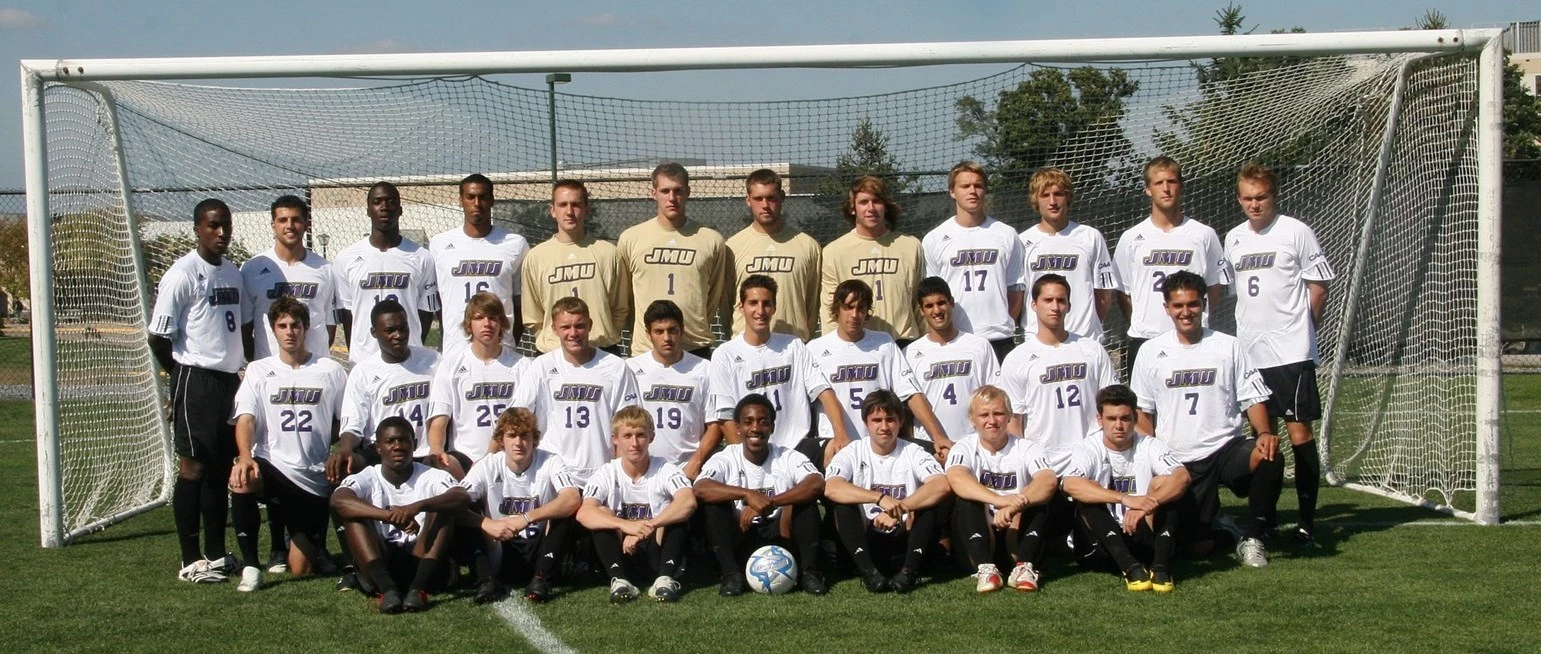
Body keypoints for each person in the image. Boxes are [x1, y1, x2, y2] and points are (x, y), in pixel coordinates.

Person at [1130, 271, 1281, 568]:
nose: (1186, 312)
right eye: (1178, 305)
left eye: (1193, 304)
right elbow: (1143, 413)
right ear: (1166, 308)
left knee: (1269, 454)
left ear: (1203, 305)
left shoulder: (1228, 345)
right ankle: (1223, 527)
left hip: (1224, 448)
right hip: (1178, 458)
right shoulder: (1150, 351)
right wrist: (1154, 458)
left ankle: (1254, 537)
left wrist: (1264, 433)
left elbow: (1252, 397)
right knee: (1196, 548)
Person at [1225, 162, 1336, 543]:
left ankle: (1306, 522)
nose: (1254, 205)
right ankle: (1266, 518)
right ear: (1239, 199)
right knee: (1263, 436)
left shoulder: (1295, 231)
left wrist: (1305, 331)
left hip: (1290, 353)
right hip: (1251, 354)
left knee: (1299, 433)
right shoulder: (1234, 239)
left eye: (1261, 197)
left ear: (1274, 196)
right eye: (1247, 199)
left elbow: (1318, 286)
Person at [148, 198, 247, 584]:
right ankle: (190, 560)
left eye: (226, 225)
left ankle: (217, 555)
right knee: (193, 467)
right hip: (195, 378)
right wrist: (180, 377)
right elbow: (158, 336)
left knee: (220, 468)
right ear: (197, 229)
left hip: (228, 381)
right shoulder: (182, 274)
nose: (221, 233)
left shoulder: (233, 272)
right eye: (212, 225)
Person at [228, 297, 348, 591]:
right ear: (273, 330)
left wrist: (332, 444)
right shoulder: (258, 370)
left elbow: (345, 421)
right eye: (282, 326)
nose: (289, 331)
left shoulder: (330, 370)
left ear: (306, 328)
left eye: (295, 325)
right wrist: (244, 456)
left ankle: (313, 545)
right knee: (243, 477)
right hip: (272, 465)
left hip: (313, 474)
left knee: (301, 569)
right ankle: (252, 567)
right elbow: (246, 419)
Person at [332, 417, 471, 613]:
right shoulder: (368, 476)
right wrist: (388, 516)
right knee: (353, 515)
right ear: (378, 448)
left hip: (422, 559)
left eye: (404, 440)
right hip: (381, 561)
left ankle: (417, 590)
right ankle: (387, 591)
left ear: (414, 444)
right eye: (390, 441)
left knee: (443, 507)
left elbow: (462, 497)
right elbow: (338, 500)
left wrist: (417, 507)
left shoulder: (430, 475)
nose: (398, 446)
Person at [707, 275, 850, 466]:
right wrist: (746, 459)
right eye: (753, 303)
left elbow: (824, 392)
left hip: (798, 446)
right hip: (754, 449)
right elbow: (725, 417)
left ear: (774, 308)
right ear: (741, 307)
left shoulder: (794, 346)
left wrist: (841, 435)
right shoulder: (724, 354)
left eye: (766, 304)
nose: (760, 311)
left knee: (837, 453)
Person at [694, 394, 827, 596]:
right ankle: (731, 574)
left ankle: (809, 571)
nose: (755, 428)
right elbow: (701, 487)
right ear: (738, 428)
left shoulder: (787, 455)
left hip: (781, 532)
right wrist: (747, 495)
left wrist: (770, 502)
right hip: (742, 531)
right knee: (714, 505)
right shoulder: (725, 457)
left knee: (805, 502)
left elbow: (816, 483)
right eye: (748, 422)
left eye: (763, 422)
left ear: (772, 427)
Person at [1063, 385, 1189, 593]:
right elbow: (1070, 484)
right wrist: (1124, 499)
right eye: (1112, 419)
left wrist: (1146, 506)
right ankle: (1130, 568)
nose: (1119, 425)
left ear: (1135, 419)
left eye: (1125, 418)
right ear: (1100, 420)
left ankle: (1161, 568)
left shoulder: (1149, 445)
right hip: (1102, 546)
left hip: (1142, 535)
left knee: (1165, 484)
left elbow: (1182, 477)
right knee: (1088, 490)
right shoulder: (1088, 447)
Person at [807, 279, 952, 460]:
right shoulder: (815, 349)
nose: (855, 314)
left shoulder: (884, 343)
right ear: (837, 309)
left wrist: (937, 436)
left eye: (861, 308)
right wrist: (840, 435)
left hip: (880, 444)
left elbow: (910, 393)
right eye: (848, 307)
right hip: (838, 444)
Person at [1113, 157, 1231, 377]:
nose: (1166, 189)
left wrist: (1197, 318)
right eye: (1158, 183)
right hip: (1145, 339)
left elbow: (1214, 285)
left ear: (1181, 186)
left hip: (1192, 339)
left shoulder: (1204, 235)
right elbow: (1123, 291)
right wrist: (1141, 321)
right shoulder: (1131, 238)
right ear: (1148, 189)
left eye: (1172, 181)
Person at [825, 390, 951, 594]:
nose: (884, 427)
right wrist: (880, 498)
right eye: (877, 420)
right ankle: (868, 572)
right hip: (866, 538)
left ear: (900, 422)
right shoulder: (852, 451)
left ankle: (909, 572)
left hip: (905, 538)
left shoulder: (913, 451)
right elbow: (832, 487)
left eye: (890, 420)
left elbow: (941, 484)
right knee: (842, 504)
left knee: (928, 506)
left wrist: (900, 508)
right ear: (866, 423)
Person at [456, 407, 581, 604]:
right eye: (511, 435)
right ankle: (486, 580)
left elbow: (572, 498)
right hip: (498, 546)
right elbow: (455, 503)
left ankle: (541, 578)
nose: (518, 443)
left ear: (534, 439)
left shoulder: (550, 460)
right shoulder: (487, 465)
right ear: (501, 440)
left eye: (524, 436)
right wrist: (487, 523)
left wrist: (526, 518)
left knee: (565, 512)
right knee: (465, 509)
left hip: (537, 546)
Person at [577, 406, 697, 603]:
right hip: (620, 551)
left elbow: (688, 501)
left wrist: (647, 526)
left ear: (651, 437)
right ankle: (619, 581)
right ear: (615, 439)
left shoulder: (666, 469)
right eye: (627, 436)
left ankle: (664, 580)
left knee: (677, 513)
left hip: (656, 550)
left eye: (640, 435)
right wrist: (625, 525)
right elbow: (584, 513)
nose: (634, 443)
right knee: (601, 513)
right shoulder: (606, 472)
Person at [944, 386, 1057, 593]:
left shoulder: (1027, 447)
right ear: (972, 419)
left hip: (1016, 532)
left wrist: (1015, 506)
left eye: (998, 413)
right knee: (966, 499)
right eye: (984, 415)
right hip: (979, 535)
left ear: (1009, 416)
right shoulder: (964, 447)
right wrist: (1000, 500)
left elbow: (1048, 481)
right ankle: (985, 569)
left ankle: (1024, 568)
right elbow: (956, 477)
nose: (992, 421)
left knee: (1039, 501)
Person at [518, 296, 641, 486]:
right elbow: (519, 416)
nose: (573, 333)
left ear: (590, 325)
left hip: (601, 471)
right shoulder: (541, 366)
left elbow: (630, 425)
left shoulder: (616, 367)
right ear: (554, 329)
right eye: (565, 327)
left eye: (579, 326)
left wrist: (620, 474)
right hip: (553, 472)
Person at [617, 162, 731, 358]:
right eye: (665, 191)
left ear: (688, 192)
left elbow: (713, 296)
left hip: (695, 346)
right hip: (646, 350)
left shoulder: (711, 240)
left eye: (678, 191)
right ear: (654, 193)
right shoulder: (631, 238)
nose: (672, 198)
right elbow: (625, 297)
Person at [921, 162, 1026, 361]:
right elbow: (933, 294)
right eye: (965, 186)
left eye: (978, 186)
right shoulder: (934, 239)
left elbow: (1015, 288)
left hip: (999, 338)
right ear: (952, 191)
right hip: (956, 338)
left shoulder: (1006, 234)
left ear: (985, 190)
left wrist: (1002, 321)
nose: (972, 191)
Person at [427, 292, 530, 479]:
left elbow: (518, 421)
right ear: (469, 324)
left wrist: (488, 458)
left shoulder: (522, 366)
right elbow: (439, 421)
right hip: (463, 458)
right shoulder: (451, 366)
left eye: (493, 318)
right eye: (479, 318)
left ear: (502, 324)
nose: (487, 324)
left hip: (507, 457)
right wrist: (436, 451)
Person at [334, 182, 440, 364]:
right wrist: (357, 352)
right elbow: (348, 314)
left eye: (391, 201)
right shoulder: (346, 258)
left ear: (400, 210)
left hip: (409, 358)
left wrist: (413, 346)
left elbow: (425, 312)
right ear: (368, 210)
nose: (384, 207)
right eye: (377, 202)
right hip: (364, 359)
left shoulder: (422, 257)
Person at [430, 174, 530, 363]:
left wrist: (507, 339)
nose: (477, 203)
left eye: (483, 197)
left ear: (492, 200)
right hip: (456, 350)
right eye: (470, 197)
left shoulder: (515, 244)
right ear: (461, 200)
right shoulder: (439, 244)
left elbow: (521, 303)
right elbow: (437, 300)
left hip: (501, 350)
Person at [522, 180, 629, 355]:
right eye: (563, 205)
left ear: (586, 209)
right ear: (553, 210)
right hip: (553, 352)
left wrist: (602, 337)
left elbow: (620, 308)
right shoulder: (536, 257)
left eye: (576, 205)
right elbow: (533, 316)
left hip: (601, 350)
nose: (569, 212)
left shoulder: (609, 253)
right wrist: (553, 341)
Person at [336, 299, 440, 473]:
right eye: (390, 330)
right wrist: (345, 449)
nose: (398, 335)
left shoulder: (433, 361)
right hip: (382, 454)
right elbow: (352, 425)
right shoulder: (363, 372)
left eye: (403, 328)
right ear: (374, 332)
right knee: (345, 465)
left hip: (426, 451)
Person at [820, 175, 926, 345]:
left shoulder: (911, 246)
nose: (871, 208)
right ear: (853, 208)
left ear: (885, 207)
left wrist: (925, 344)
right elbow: (829, 309)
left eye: (877, 201)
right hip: (858, 345)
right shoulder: (834, 251)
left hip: (904, 342)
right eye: (863, 202)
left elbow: (920, 302)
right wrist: (834, 347)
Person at [1017, 167, 1118, 341]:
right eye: (1045, 195)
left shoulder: (1090, 237)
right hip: (1038, 339)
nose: (1052, 201)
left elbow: (1103, 294)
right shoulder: (1022, 242)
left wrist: (1087, 327)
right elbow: (1018, 295)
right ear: (1035, 200)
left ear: (1068, 197)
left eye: (1058, 194)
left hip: (1084, 338)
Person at [725, 168, 822, 341]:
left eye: (771, 198)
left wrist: (804, 338)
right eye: (758, 198)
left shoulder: (808, 246)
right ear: (748, 200)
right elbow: (726, 303)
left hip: (792, 344)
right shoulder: (732, 247)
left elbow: (813, 304)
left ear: (782, 197)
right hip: (746, 346)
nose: (765, 205)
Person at [628, 300, 719, 479]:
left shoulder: (704, 368)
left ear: (682, 330)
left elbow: (714, 424)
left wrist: (695, 463)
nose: (667, 338)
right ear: (648, 334)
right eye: (659, 331)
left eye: (672, 330)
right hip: (645, 469)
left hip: (689, 468)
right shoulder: (631, 369)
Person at [904, 277, 998, 447]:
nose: (937, 310)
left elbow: (993, 395)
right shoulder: (909, 353)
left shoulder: (979, 346)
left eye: (941, 303)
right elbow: (908, 408)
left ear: (951, 303)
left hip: (974, 441)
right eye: (929, 306)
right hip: (929, 443)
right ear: (921, 310)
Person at [241, 194, 337, 362]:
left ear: (307, 224)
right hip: (270, 366)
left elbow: (330, 324)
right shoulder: (251, 268)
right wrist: (260, 363)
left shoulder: (326, 269)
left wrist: (313, 356)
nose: (290, 226)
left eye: (296, 220)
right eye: (283, 220)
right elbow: (245, 327)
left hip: (314, 366)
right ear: (273, 225)